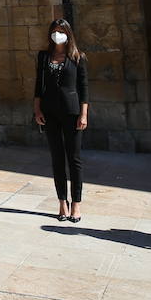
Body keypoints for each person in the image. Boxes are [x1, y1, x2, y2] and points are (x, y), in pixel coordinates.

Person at [33, 19, 89, 222]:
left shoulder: (77, 57)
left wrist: (84, 114)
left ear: (68, 33)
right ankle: (62, 202)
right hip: (50, 112)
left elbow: (84, 88)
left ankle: (76, 203)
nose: (58, 34)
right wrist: (37, 109)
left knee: (74, 159)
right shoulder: (44, 56)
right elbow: (39, 86)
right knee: (57, 158)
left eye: (61, 31)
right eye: (54, 31)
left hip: (72, 112)